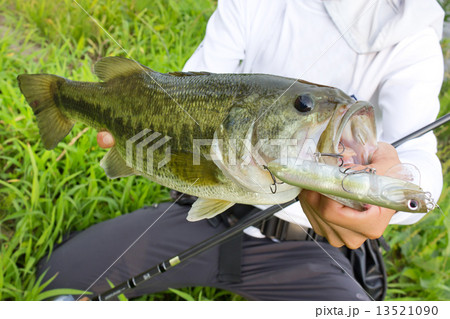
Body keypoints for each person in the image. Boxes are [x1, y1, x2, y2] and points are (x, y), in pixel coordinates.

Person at [37, 0, 445, 301]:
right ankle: (56, 95)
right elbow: (188, 88)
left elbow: (420, 159)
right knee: (58, 278)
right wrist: (141, 126)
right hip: (206, 219)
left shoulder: (414, 43)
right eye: (303, 105)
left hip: (309, 249)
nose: (319, 112)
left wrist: (398, 186)